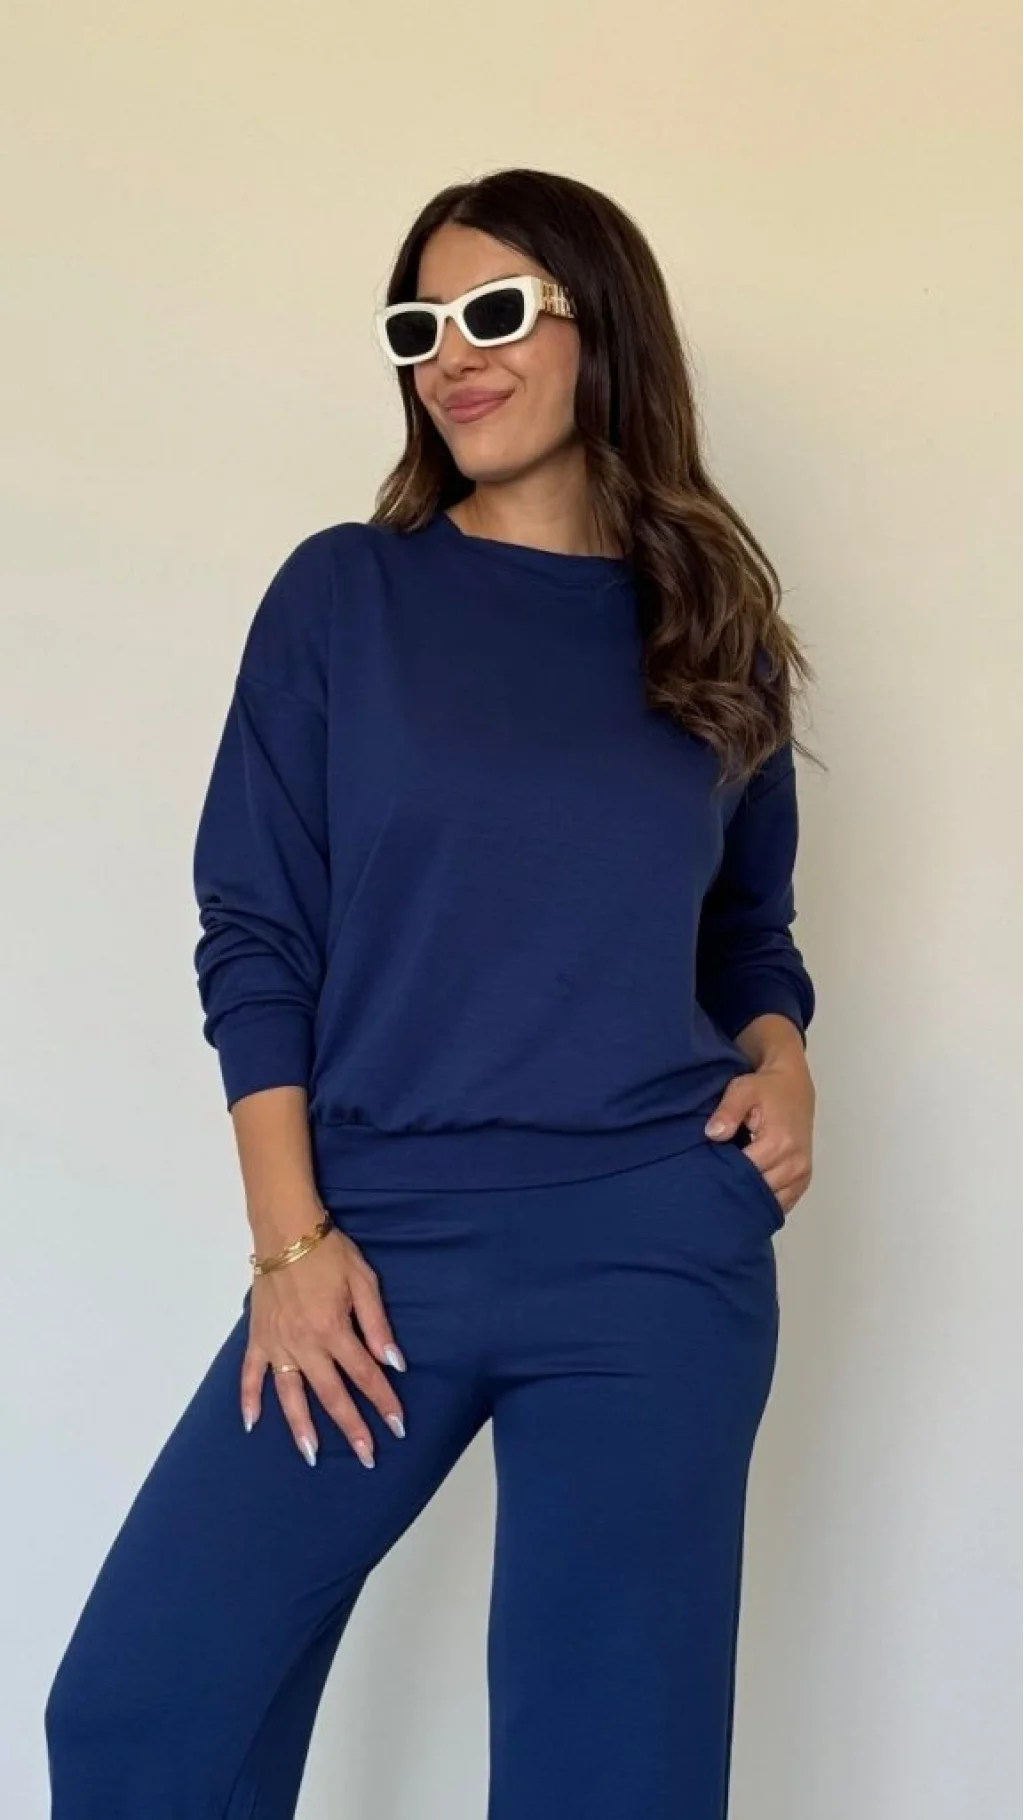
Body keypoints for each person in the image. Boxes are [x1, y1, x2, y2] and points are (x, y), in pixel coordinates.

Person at [44, 165, 818, 1819]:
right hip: (376, 1245)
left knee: (605, 1782)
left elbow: (748, 931)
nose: (451, 356)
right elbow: (255, 929)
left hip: (651, 1253)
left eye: (495, 313)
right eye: (420, 325)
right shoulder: (348, 596)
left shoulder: (714, 630)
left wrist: (783, 1052)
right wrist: (292, 1246)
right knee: (138, 1714)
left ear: (604, 331)